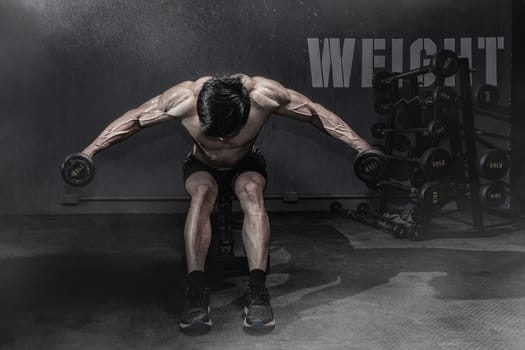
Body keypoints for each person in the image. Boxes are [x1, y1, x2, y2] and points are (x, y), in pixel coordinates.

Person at [78, 74, 371, 331]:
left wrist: (363, 148)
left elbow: (316, 114)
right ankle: (195, 291)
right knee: (203, 194)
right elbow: (135, 119)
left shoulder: (264, 95)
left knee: (252, 192)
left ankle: (257, 291)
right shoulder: (184, 98)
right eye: (212, 133)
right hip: (201, 166)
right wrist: (89, 153)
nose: (219, 138)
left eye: (226, 134)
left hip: (247, 163)